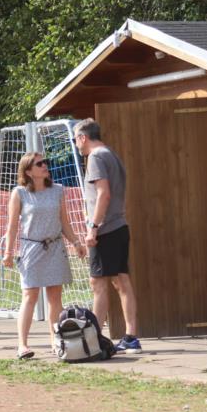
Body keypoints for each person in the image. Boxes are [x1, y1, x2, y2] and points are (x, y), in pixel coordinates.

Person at [2, 152, 87, 359]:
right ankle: (22, 345)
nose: (45, 166)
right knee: (29, 295)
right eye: (40, 164)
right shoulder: (19, 193)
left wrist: (76, 242)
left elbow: (64, 222)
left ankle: (55, 341)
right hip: (31, 249)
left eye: (45, 162)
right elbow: (12, 226)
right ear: (28, 171)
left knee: (55, 296)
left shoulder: (57, 190)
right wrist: (8, 253)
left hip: (55, 248)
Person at [74, 118, 141, 353]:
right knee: (121, 280)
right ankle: (131, 336)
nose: (77, 146)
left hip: (105, 230)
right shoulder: (110, 153)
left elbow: (103, 194)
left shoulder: (96, 157)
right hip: (119, 226)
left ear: (83, 137)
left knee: (98, 283)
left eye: (76, 140)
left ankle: (95, 339)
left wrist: (93, 227)